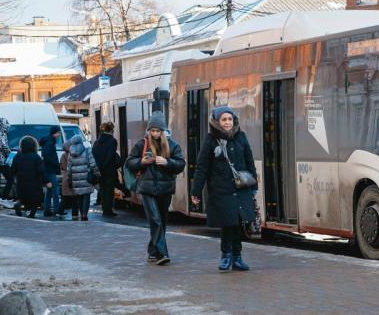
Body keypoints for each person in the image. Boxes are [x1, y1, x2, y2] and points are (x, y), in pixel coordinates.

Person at [191, 106, 257, 272]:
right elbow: (202, 167)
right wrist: (196, 191)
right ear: (217, 121)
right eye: (224, 120)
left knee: (238, 224)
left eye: (229, 119)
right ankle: (226, 256)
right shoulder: (211, 140)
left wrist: (253, 185)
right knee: (228, 224)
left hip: (241, 188)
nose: (227, 123)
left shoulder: (241, 137)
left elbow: (250, 161)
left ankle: (237, 257)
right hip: (221, 190)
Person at [126, 112, 185, 266]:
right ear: (149, 131)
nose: (155, 134)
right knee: (156, 220)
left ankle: (153, 252)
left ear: (163, 131)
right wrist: (142, 161)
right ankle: (162, 254)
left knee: (162, 222)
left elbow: (180, 164)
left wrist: (167, 162)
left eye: (158, 131)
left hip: (165, 189)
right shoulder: (142, 144)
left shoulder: (173, 145)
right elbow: (129, 162)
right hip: (147, 189)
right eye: (152, 130)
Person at [11, 136, 51, 218]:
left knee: (23, 199)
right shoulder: (36, 157)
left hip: (21, 182)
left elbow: (12, 170)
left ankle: (18, 204)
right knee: (35, 201)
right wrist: (47, 181)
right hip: (34, 183)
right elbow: (42, 170)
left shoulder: (18, 156)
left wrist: (14, 178)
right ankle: (31, 214)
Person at [65, 135, 98, 221]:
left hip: (75, 178)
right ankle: (84, 215)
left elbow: (69, 167)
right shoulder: (87, 150)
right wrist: (97, 173)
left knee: (79, 196)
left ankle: (81, 212)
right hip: (86, 177)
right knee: (86, 196)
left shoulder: (70, 153)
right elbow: (92, 164)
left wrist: (69, 176)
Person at [93, 122, 120, 217]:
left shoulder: (97, 141)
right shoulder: (113, 141)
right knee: (109, 190)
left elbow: (94, 154)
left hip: (99, 169)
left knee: (103, 190)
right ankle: (108, 210)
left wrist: (99, 166)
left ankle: (105, 209)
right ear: (111, 130)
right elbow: (110, 155)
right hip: (109, 169)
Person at [40, 126, 62, 217]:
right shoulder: (50, 142)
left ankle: (47, 210)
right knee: (55, 189)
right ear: (55, 133)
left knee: (49, 190)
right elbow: (46, 155)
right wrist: (55, 163)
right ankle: (57, 209)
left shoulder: (49, 141)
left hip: (48, 169)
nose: (59, 134)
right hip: (50, 169)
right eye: (59, 132)